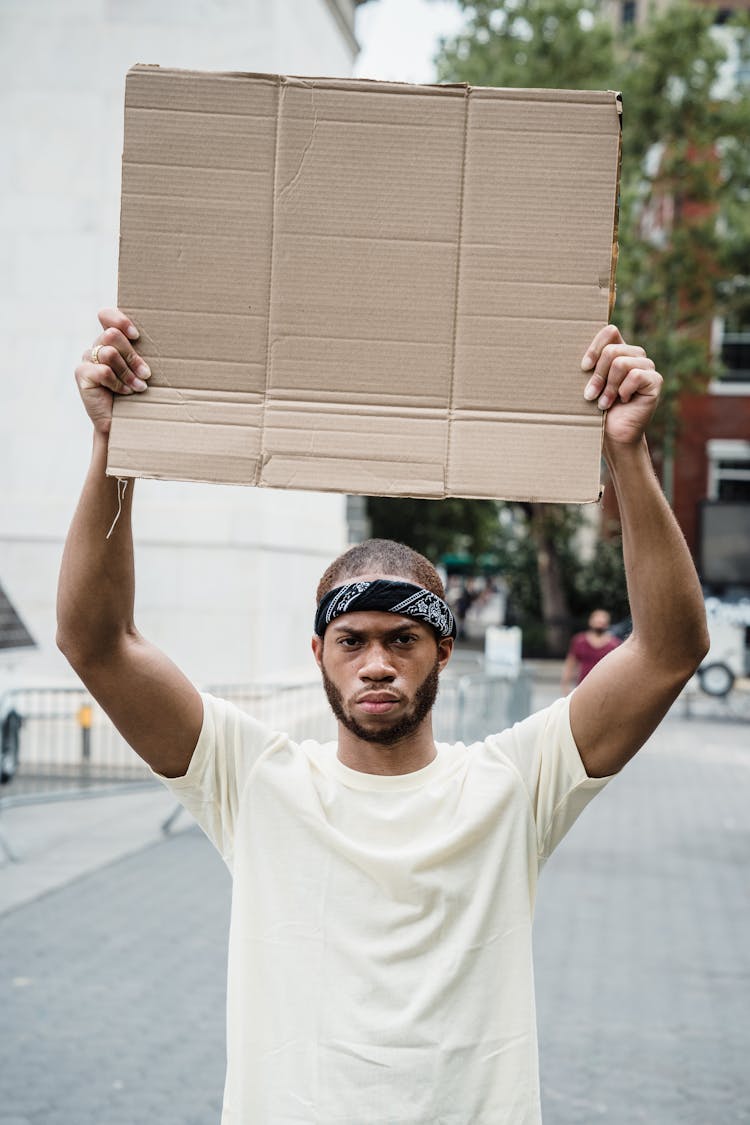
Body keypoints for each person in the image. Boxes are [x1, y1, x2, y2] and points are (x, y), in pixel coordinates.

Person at [57, 310, 709, 1125]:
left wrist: (627, 453)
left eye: (402, 639)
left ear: (441, 651)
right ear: (318, 652)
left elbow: (670, 650)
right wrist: (112, 450)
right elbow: (97, 643)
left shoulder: (512, 782)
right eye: (351, 640)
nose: (375, 663)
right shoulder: (256, 780)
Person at [561, 608, 621, 693]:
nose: (600, 623)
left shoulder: (614, 644)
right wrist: (565, 686)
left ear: (607, 624)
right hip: (582, 687)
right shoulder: (579, 641)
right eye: (597, 621)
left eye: (602, 622)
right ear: (590, 622)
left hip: (605, 690)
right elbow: (570, 664)